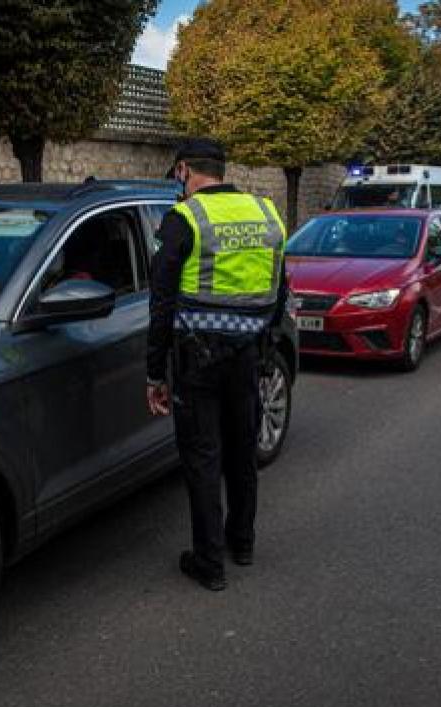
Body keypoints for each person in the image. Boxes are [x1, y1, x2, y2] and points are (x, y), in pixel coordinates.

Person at [146, 138, 289, 592]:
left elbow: (161, 304)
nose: (177, 184)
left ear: (185, 169)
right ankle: (241, 543)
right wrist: (265, 346)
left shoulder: (184, 218)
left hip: (198, 360)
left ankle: (209, 562)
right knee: (241, 453)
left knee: (204, 459)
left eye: (177, 176)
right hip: (247, 355)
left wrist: (154, 372)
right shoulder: (266, 214)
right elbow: (279, 288)